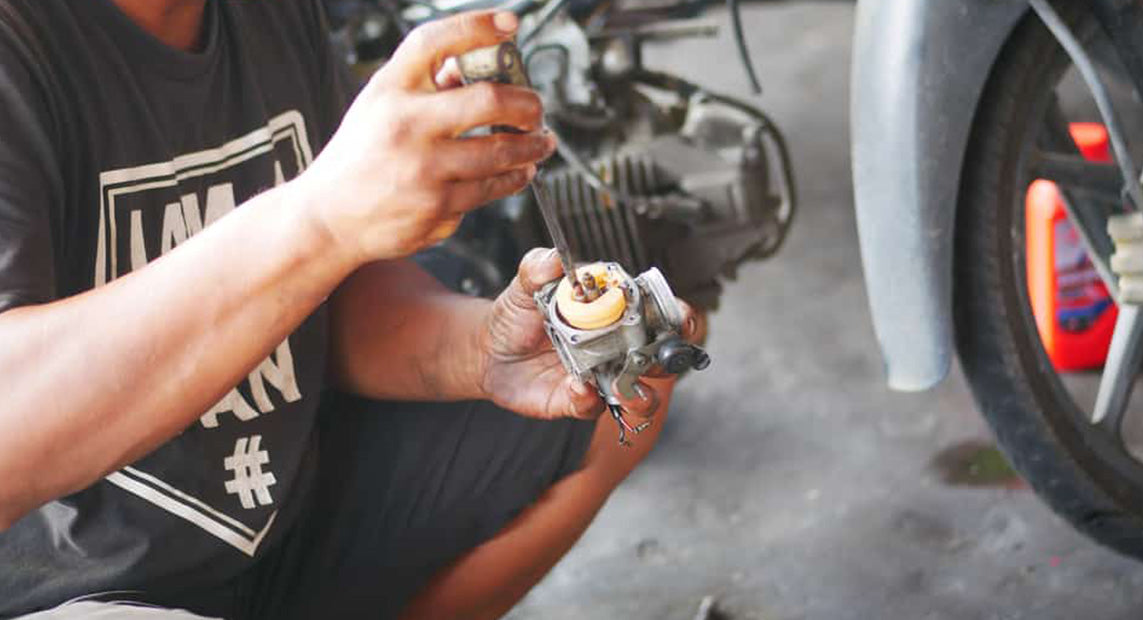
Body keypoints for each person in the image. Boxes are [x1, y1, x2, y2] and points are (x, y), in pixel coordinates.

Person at [0, 1, 698, 618]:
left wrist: (483, 350)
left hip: (286, 499)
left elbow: (331, 295)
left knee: (623, 404)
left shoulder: (268, 14)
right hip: (82, 583)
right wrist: (321, 220)